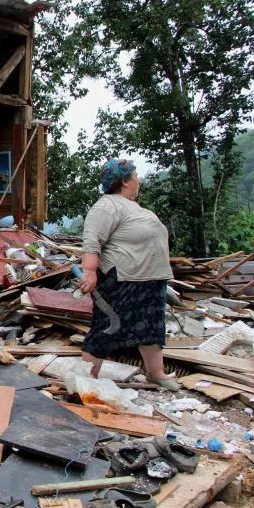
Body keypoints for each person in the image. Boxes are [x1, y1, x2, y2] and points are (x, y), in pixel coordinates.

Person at [79, 158, 179, 390]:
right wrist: (90, 271)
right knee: (108, 327)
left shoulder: (133, 207)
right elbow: (92, 240)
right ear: (124, 181)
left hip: (150, 280)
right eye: (135, 177)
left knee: (152, 328)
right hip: (123, 279)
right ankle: (87, 380)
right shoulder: (107, 205)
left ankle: (155, 373)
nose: (139, 181)